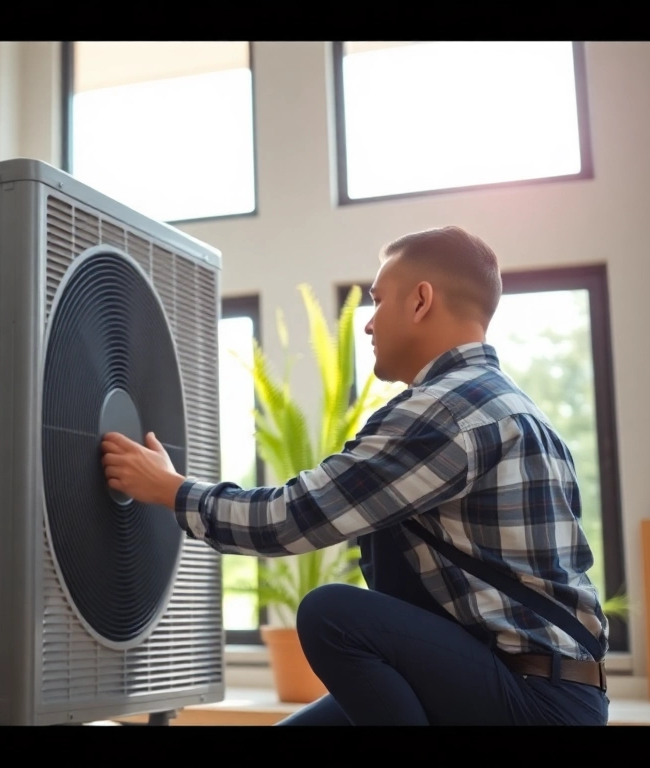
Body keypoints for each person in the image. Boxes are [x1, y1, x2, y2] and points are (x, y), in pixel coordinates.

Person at [100, 226, 609, 726]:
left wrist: (171, 490)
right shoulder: (510, 407)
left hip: (532, 699)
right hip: (541, 687)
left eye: (378, 301)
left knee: (332, 614)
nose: (368, 324)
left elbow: (292, 517)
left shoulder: (447, 412)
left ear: (420, 300)